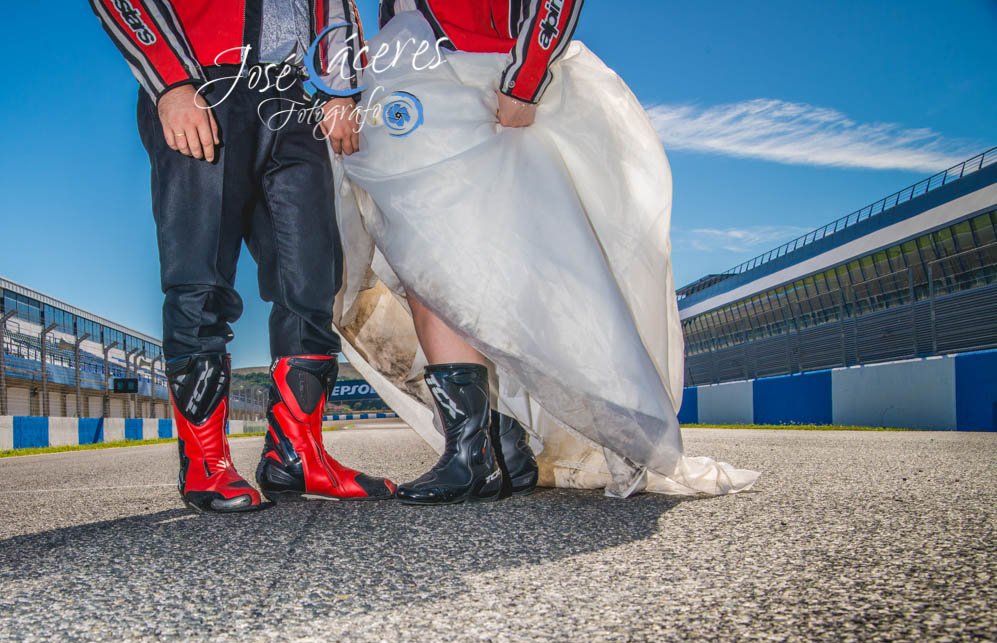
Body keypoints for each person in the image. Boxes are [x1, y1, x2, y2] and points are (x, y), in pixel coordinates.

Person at [332, 0, 759, 502]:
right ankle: (481, 448)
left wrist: (525, 78)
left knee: (521, 263)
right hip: (406, 79)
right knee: (424, 263)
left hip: (487, 75)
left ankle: (513, 439)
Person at [88, 0, 396, 512]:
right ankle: (205, 464)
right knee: (199, 279)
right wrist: (170, 81)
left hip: (293, 97)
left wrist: (340, 87)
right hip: (201, 84)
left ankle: (296, 456)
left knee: (312, 280)